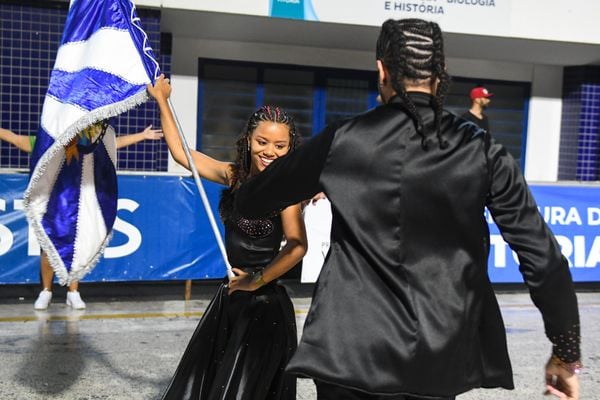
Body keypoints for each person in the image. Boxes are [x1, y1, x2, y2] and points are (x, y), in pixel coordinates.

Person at [233, 19, 581, 400]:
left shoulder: (342, 140)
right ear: (441, 75)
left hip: (348, 351)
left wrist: (283, 167)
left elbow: (252, 201)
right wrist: (566, 353)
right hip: (439, 352)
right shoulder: (482, 149)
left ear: (382, 70)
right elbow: (543, 258)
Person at [147, 75, 307, 400]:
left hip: (264, 306)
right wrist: (162, 100)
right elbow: (181, 154)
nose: (270, 151)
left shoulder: (287, 190)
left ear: (290, 148)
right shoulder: (233, 175)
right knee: (212, 385)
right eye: (263, 142)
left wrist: (256, 280)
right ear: (249, 139)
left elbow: (296, 246)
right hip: (230, 297)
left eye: (280, 146)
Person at [1, 124, 164, 310]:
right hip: (52, 206)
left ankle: (73, 293)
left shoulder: (88, 143)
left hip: (79, 204)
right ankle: (46, 291)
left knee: (77, 248)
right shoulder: (45, 144)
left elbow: (115, 142)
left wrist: (142, 135)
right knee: (48, 249)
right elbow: (13, 137)